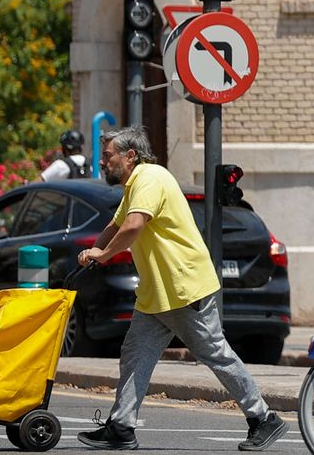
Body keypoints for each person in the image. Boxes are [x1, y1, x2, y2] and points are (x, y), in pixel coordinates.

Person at [75, 126, 287, 451]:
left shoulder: (150, 178)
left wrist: (103, 255)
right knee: (135, 356)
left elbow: (134, 226)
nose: (104, 162)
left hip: (183, 287)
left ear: (130, 156)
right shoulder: (135, 184)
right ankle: (121, 426)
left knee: (215, 354)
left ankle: (263, 418)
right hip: (158, 293)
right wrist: (94, 252)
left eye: (108, 156)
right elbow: (117, 224)